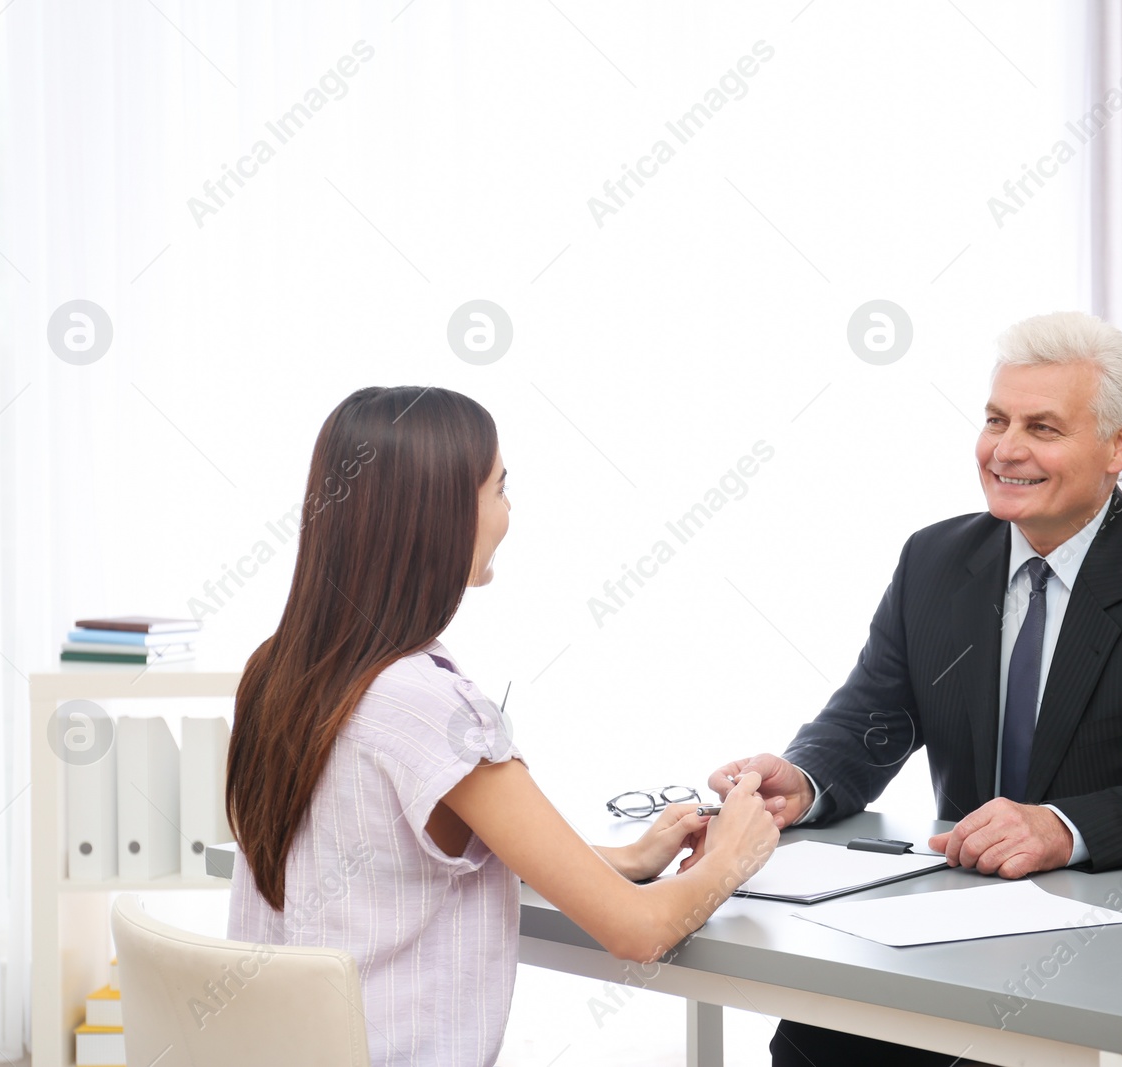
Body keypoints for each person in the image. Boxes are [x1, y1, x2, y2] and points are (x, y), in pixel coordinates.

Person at [704, 312, 1122, 1067]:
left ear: (1120, 447)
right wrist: (805, 778)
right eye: (995, 420)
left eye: (1042, 427)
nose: (1006, 449)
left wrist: (1062, 826)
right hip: (952, 932)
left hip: (1120, 944)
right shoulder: (936, 561)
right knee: (817, 1029)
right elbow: (871, 720)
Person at [224, 385, 779, 1067]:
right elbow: (639, 932)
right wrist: (734, 855)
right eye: (499, 488)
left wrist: (629, 860)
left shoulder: (276, 671)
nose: (510, 510)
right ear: (438, 516)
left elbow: (392, 864)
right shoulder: (434, 708)